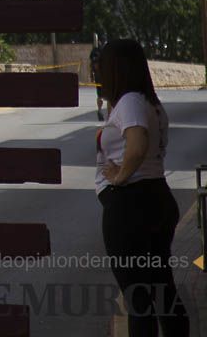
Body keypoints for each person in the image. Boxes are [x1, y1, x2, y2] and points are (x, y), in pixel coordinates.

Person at [95, 39, 189, 337]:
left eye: (103, 65)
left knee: (138, 299)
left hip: (131, 205)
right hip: (156, 197)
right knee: (162, 289)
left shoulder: (131, 102)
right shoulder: (149, 103)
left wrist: (120, 177)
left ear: (117, 69)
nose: (98, 72)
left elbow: (136, 146)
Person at [90, 44, 107, 122]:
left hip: (97, 78)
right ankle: (110, 115)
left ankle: (99, 110)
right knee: (109, 97)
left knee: (99, 96)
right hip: (104, 78)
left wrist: (92, 77)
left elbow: (91, 67)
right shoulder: (103, 53)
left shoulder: (93, 55)